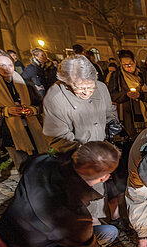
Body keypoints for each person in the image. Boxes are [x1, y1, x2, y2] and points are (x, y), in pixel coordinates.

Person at [42, 55, 120, 224]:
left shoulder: (101, 88)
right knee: (85, 197)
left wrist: (112, 122)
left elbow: (109, 110)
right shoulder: (55, 98)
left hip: (101, 151)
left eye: (90, 88)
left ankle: (105, 220)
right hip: (78, 157)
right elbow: (57, 137)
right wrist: (85, 154)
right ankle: (90, 228)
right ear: (67, 83)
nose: (86, 92)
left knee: (106, 190)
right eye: (80, 88)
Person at [0, 49, 48, 169]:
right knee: (23, 166)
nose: (7, 68)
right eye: (2, 65)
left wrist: (32, 110)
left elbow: (41, 104)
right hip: (8, 131)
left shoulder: (25, 82)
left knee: (41, 164)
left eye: (10, 65)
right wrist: (5, 111)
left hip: (32, 128)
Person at [108, 49, 147, 138]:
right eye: (125, 64)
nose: (128, 67)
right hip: (127, 116)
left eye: (130, 64)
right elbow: (111, 95)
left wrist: (141, 95)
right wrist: (126, 95)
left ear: (135, 62)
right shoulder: (117, 76)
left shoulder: (143, 74)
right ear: (121, 64)